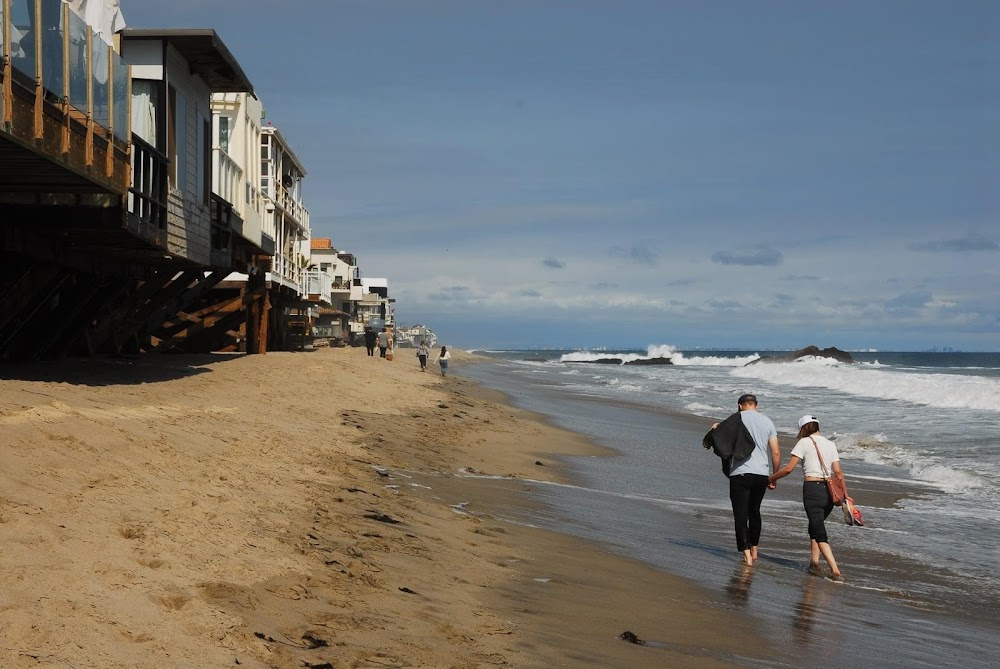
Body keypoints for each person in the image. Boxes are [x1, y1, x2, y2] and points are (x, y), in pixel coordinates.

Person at [770, 415, 847, 581]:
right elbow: (839, 474)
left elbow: (789, 468)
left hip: (812, 490)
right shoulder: (831, 444)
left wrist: (771, 478)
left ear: (803, 428)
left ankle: (835, 570)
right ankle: (814, 562)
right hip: (829, 491)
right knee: (815, 524)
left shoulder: (804, 442)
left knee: (818, 531)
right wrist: (846, 497)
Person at [707, 394, 781, 566]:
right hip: (762, 474)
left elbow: (717, 439)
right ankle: (754, 548)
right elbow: (776, 452)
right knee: (755, 511)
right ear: (756, 405)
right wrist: (774, 476)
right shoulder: (768, 422)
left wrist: (715, 427)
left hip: (740, 473)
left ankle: (746, 554)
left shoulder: (734, 419)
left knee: (740, 514)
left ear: (739, 406)